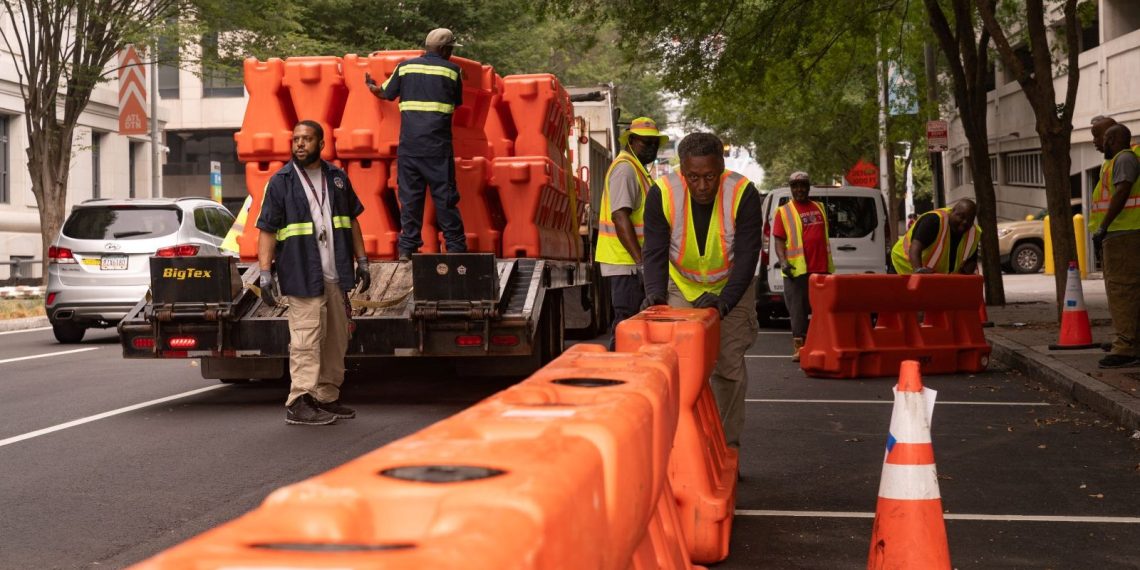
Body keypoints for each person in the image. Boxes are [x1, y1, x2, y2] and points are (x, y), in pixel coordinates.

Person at [642, 132, 762, 449]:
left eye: (710, 176)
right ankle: (683, 447)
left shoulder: (743, 193)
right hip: (682, 287)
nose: (703, 186)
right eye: (693, 177)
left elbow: (749, 256)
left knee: (728, 368)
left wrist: (724, 303)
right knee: (680, 367)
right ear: (682, 170)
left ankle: (725, 448)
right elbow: (654, 251)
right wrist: (655, 294)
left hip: (731, 287)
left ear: (721, 167)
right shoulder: (662, 192)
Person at [256, 120, 371, 425]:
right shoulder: (281, 181)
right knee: (306, 339)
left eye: (307, 139)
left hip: (336, 274)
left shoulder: (336, 178)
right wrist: (265, 273)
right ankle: (299, 400)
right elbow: (267, 229)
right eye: (296, 140)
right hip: (302, 274)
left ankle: (325, 396)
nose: (300, 145)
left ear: (321, 144)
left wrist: (363, 261)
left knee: (336, 339)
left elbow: (352, 221)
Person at [365, 28, 466, 259]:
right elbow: (457, 102)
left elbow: (384, 93)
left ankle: (407, 249)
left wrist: (371, 87)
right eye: (450, 49)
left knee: (411, 200)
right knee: (445, 199)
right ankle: (456, 248)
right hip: (438, 149)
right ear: (445, 49)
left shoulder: (405, 67)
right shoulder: (452, 71)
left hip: (409, 149)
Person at [595, 117, 667, 349]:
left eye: (655, 143)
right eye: (646, 143)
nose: (652, 148)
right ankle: (618, 377)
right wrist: (642, 262)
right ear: (631, 141)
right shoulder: (625, 169)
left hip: (631, 264)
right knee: (626, 325)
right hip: (627, 264)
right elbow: (620, 217)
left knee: (633, 327)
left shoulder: (637, 170)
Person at [1090, 124, 1140, 368]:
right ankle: (1131, 342)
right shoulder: (1117, 162)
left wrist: (1103, 226)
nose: (1097, 143)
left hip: (1124, 234)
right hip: (1122, 233)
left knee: (1122, 290)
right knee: (1127, 291)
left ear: (1112, 139)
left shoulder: (1124, 159)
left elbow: (1122, 193)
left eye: (1100, 139)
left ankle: (1125, 347)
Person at [772, 171, 833, 361]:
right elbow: (779, 240)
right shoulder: (784, 211)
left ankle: (820, 345)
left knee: (821, 309)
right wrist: (783, 262)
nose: (799, 189)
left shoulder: (820, 207)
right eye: (795, 186)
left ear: (808, 187)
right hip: (796, 270)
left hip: (821, 268)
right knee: (798, 310)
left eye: (802, 185)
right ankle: (800, 347)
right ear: (791, 189)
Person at [890, 199, 980, 275]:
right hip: (902, 266)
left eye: (969, 219)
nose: (965, 222)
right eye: (961, 216)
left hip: (933, 276)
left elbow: (971, 261)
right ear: (952, 211)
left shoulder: (973, 233)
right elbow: (915, 248)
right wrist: (918, 270)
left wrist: (963, 278)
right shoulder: (934, 221)